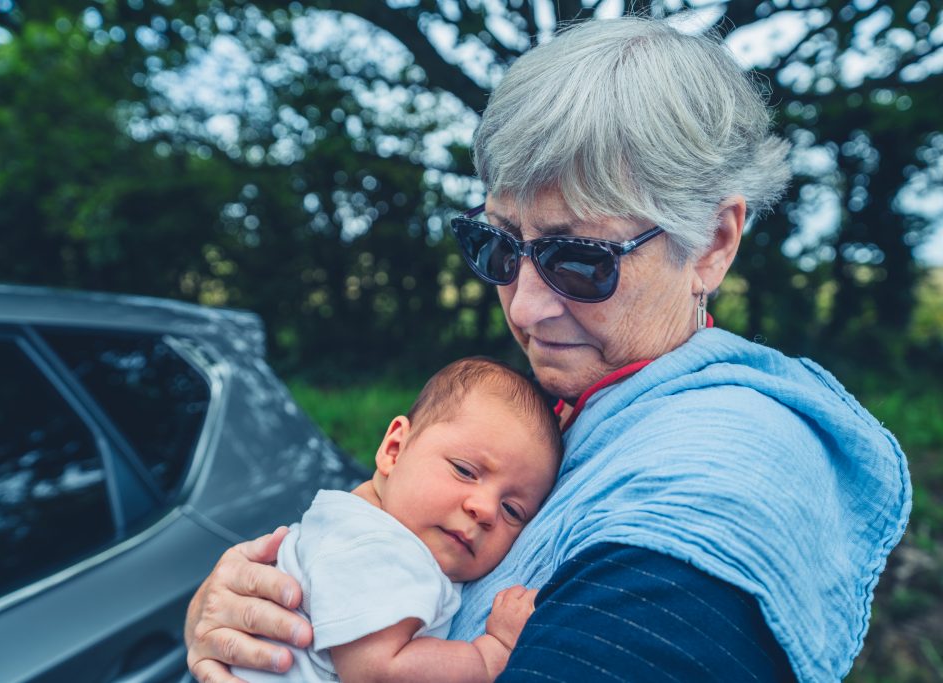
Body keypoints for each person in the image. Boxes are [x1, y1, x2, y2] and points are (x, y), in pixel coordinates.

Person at [185, 16, 911, 683]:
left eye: (582, 259)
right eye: (498, 245)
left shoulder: (716, 487)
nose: (526, 307)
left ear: (714, 242)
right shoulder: (564, 414)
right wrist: (251, 622)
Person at [230, 357, 562, 682]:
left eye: (512, 510)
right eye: (464, 470)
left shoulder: (363, 527)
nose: (486, 510)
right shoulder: (375, 545)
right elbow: (380, 672)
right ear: (394, 449)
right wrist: (493, 654)